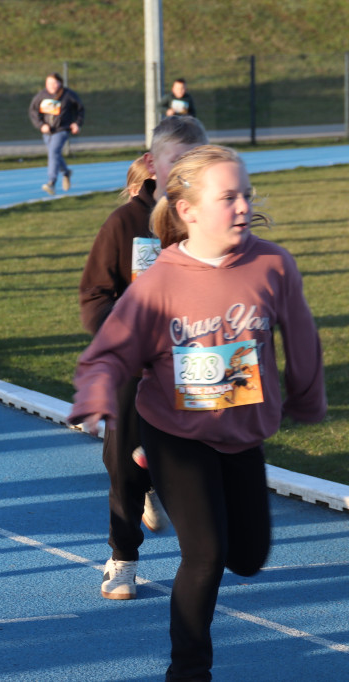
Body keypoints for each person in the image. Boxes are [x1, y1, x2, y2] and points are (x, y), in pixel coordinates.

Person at [69, 145, 326, 680]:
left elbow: (301, 336)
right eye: (227, 197)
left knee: (249, 557)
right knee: (204, 555)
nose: (240, 206)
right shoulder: (160, 282)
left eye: (245, 196)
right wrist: (95, 390)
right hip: (175, 434)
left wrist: (306, 396)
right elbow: (111, 349)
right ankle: (188, 671)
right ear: (187, 210)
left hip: (241, 435)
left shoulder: (272, 264)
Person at [79, 115, 209, 600]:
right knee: (123, 464)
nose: (186, 171)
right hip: (135, 368)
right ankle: (123, 558)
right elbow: (95, 294)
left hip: (199, 367)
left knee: (201, 462)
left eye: (196, 161)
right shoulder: (126, 223)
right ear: (154, 163)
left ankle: (203, 554)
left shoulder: (209, 220)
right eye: (177, 160)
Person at [28, 72, 84, 196]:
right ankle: (66, 172)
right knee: (55, 154)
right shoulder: (42, 95)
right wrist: (41, 125)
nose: (51, 85)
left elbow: (80, 109)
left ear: (60, 83)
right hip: (47, 131)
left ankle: (51, 182)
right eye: (49, 83)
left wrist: (77, 123)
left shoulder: (68, 95)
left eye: (54, 83)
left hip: (62, 129)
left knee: (53, 152)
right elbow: (33, 111)